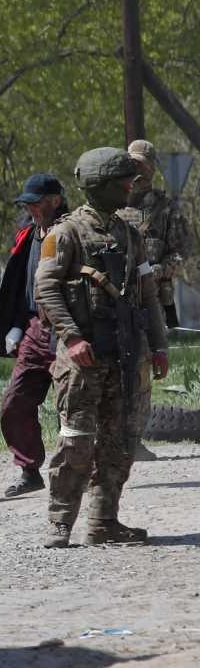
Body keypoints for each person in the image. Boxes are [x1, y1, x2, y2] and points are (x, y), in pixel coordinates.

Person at [36, 147, 169, 548]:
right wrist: (72, 337)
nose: (132, 187)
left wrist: (159, 346)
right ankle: (60, 522)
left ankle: (103, 521)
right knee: (76, 440)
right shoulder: (66, 233)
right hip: (84, 359)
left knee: (120, 441)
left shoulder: (130, 235)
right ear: (101, 186)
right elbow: (46, 288)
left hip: (127, 355)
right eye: (123, 181)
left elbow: (147, 295)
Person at [0, 174, 69, 497]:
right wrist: (17, 327)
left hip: (68, 328)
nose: (31, 207)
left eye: (36, 201)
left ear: (55, 200)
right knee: (13, 404)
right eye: (28, 202)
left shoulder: (73, 233)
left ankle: (74, 474)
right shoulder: (30, 235)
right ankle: (29, 469)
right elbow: (21, 288)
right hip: (34, 328)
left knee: (70, 407)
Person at [119, 139, 192, 463]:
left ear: (152, 168)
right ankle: (112, 437)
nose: (138, 173)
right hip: (115, 300)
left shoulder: (165, 210)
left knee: (143, 369)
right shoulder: (113, 206)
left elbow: (183, 251)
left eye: (143, 166)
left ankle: (134, 439)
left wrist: (162, 268)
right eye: (133, 165)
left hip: (151, 301)